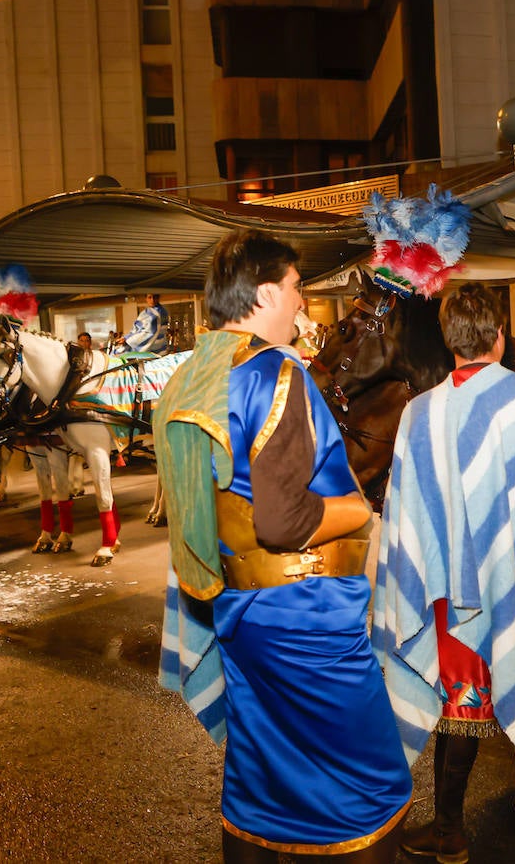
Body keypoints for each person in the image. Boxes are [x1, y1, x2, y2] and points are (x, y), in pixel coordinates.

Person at [155, 229, 411, 864]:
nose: (302, 304)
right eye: (297, 289)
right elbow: (283, 519)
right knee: (371, 787)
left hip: (242, 612)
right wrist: (357, 509)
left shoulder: (195, 374)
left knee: (261, 784)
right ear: (267, 292)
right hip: (307, 619)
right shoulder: (275, 373)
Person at [374, 283, 515, 862]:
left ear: (448, 340)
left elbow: (407, 514)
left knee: (463, 705)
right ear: (499, 336)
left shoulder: (419, 414)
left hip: (453, 596)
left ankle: (450, 831)